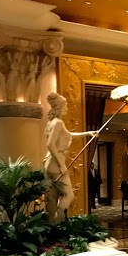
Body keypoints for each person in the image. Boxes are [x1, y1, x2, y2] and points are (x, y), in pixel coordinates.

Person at [43, 92, 97, 223]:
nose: (67, 108)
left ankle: (50, 225)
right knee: (69, 195)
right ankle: (58, 223)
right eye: (65, 106)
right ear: (60, 107)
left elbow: (67, 134)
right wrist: (62, 165)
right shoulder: (58, 123)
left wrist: (88, 133)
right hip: (56, 163)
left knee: (52, 198)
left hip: (48, 163)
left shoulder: (51, 123)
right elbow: (50, 144)